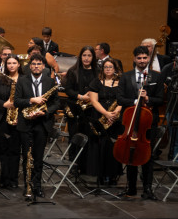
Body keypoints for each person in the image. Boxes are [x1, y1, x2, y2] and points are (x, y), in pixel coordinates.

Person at [117, 46, 164, 199]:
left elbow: (161, 99)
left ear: (148, 59)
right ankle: (131, 188)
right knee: (130, 156)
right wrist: (136, 100)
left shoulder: (156, 77)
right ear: (134, 59)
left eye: (145, 58)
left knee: (147, 156)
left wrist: (148, 99)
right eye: (139, 58)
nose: (142, 60)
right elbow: (120, 99)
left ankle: (147, 189)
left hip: (148, 123)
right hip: (131, 121)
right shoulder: (126, 76)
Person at [15, 54, 59, 201]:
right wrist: (31, 100)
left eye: (39, 64)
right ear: (29, 66)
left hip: (42, 123)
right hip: (26, 124)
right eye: (33, 64)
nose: (36, 66)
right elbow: (16, 101)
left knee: (38, 157)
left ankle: (37, 186)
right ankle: (27, 186)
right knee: (27, 156)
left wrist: (45, 111)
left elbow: (56, 103)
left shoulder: (50, 81)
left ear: (43, 66)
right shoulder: (22, 80)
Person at [88, 58, 123, 186]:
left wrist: (116, 113)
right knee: (100, 146)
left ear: (115, 69)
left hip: (115, 119)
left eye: (110, 67)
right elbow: (94, 101)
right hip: (100, 117)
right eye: (106, 67)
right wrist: (106, 113)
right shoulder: (96, 82)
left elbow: (123, 100)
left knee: (112, 147)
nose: (108, 69)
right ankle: (100, 175)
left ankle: (112, 175)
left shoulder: (121, 83)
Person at [62, 47, 97, 175]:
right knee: (74, 136)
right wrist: (81, 96)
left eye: (89, 55)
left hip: (90, 110)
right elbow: (68, 90)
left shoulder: (97, 71)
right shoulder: (73, 71)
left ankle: (86, 165)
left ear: (93, 57)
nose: (86, 58)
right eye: (84, 55)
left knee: (89, 137)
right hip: (75, 109)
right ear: (80, 56)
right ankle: (74, 164)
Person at [0, 56, 23, 189]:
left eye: (14, 63)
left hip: (19, 119)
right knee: (3, 150)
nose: (11, 66)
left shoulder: (24, 80)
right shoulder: (1, 79)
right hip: (3, 119)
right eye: (9, 63)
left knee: (15, 151)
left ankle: (13, 179)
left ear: (19, 65)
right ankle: (4, 179)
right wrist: (4, 104)